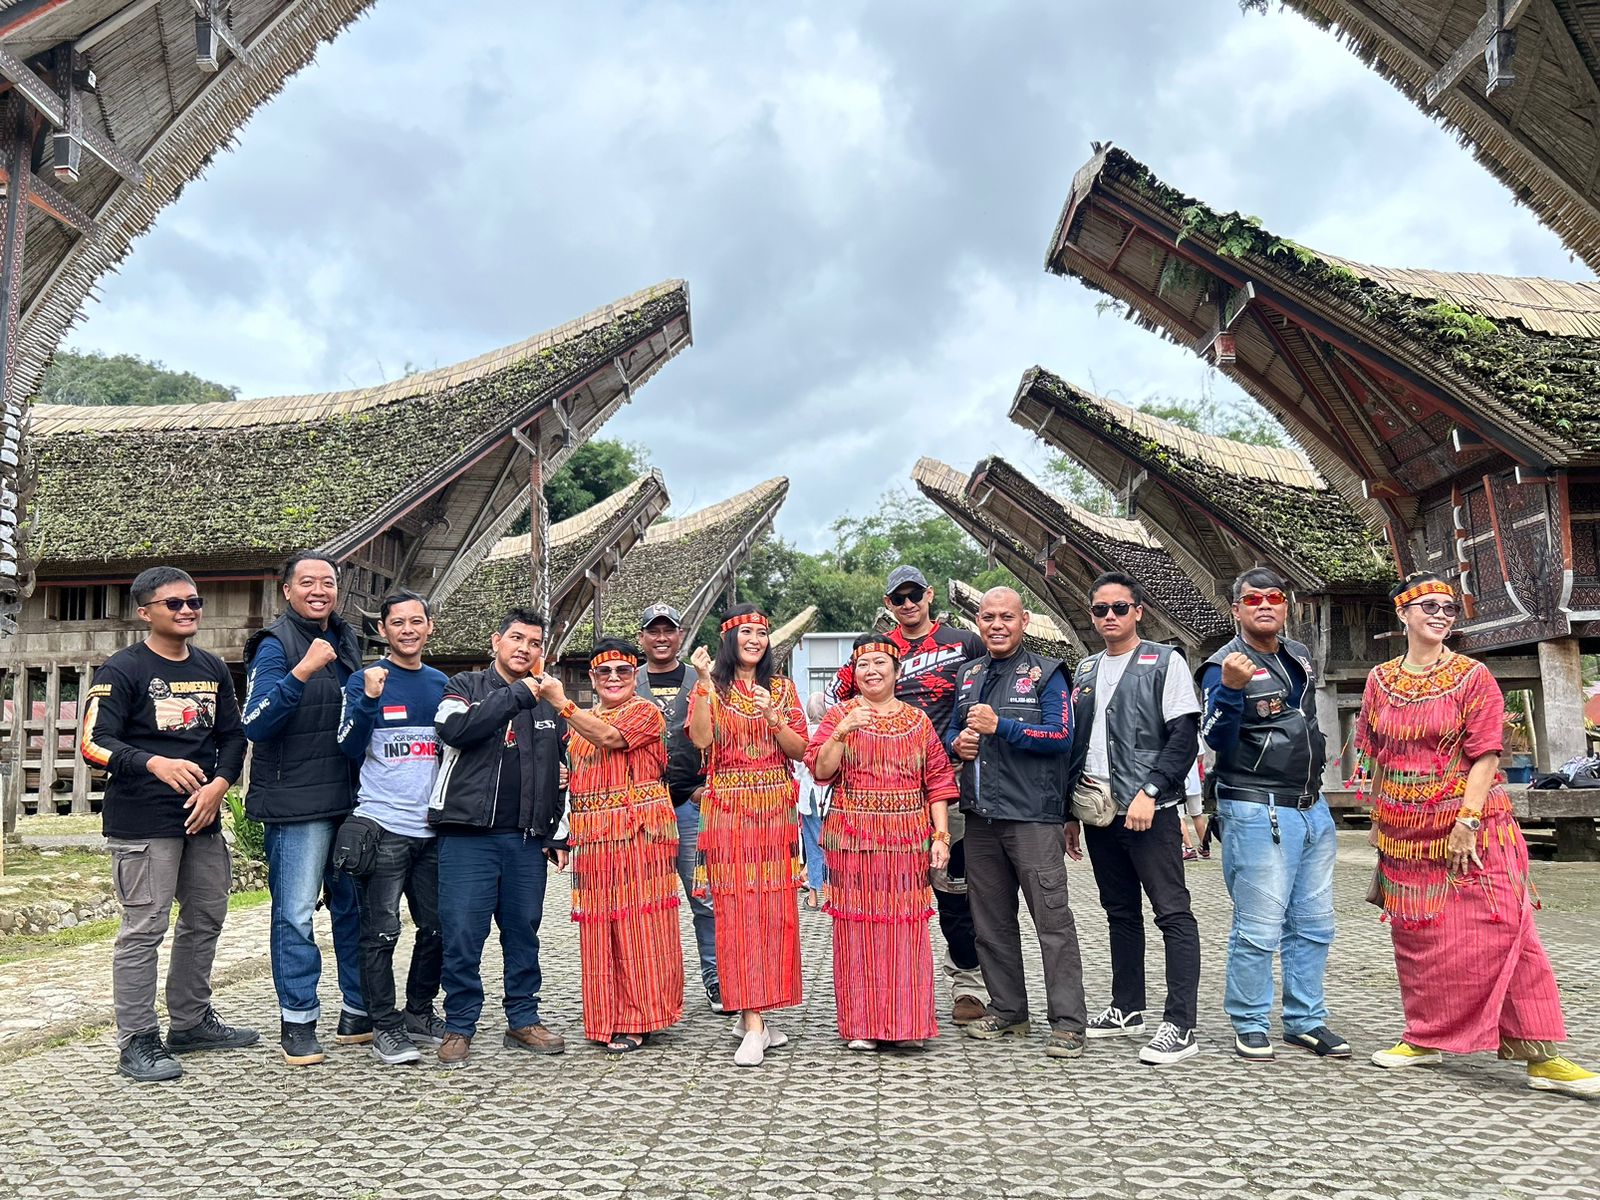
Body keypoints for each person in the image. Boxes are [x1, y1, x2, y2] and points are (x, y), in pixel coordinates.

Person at [1358, 573, 1598, 1096]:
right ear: (1403, 615)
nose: (1440, 615)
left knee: (1506, 928)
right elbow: (1378, 753)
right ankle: (1424, 1037)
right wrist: (1377, 819)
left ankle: (1542, 1053)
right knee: (1420, 936)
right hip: (1404, 831)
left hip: (1474, 824)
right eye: (1429, 606)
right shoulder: (1379, 680)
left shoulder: (1472, 676)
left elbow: (1486, 751)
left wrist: (1466, 821)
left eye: (1448, 607)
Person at [81, 566, 256, 1082]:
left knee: (205, 919)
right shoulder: (122, 670)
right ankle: (137, 1039)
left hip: (202, 817)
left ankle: (192, 1021)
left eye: (194, 603)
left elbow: (233, 736)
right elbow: (94, 743)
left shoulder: (212, 667)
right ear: (146, 612)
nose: (187, 611)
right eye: (174, 604)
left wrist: (219, 787)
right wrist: (153, 762)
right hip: (143, 821)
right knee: (144, 928)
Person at [828, 565, 989, 1024]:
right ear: (888, 605)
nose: (907, 604)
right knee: (883, 897)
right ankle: (881, 999)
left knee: (953, 892)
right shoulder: (878, 649)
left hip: (946, 783)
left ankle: (968, 987)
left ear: (929, 595)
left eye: (914, 594)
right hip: (877, 794)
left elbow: (988, 691)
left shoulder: (964, 641)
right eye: (897, 599)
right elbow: (837, 696)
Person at [1197, 569, 1346, 1063]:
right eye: (1252, 598)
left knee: (1314, 923)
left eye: (1275, 597)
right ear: (1235, 609)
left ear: (1286, 606)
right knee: (1259, 926)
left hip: (1312, 806)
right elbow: (1214, 738)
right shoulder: (1222, 664)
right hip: (1257, 808)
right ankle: (1249, 1020)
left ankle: (1306, 1020)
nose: (1265, 604)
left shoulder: (1298, 655)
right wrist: (1231, 691)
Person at [1065, 571, 1202, 1067]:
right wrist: (1069, 812)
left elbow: (1183, 737)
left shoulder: (1165, 662)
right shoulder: (1083, 670)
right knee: (1119, 910)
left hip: (1149, 808)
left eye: (1119, 608)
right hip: (1099, 809)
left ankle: (1181, 1023)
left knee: (1172, 911)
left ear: (1138, 611)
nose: (1109, 617)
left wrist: (1152, 791)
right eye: (1100, 609)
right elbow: (1075, 745)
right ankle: (1128, 1006)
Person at [945, 586, 1088, 1061]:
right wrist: (956, 747)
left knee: (1052, 921)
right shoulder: (969, 673)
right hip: (980, 817)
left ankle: (1068, 1023)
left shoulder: (1046, 673)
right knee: (989, 923)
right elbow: (950, 731)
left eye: (1007, 616)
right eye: (988, 617)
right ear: (978, 623)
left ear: (1024, 620)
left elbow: (1061, 736)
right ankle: (1009, 1010)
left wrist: (1000, 726)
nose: (997, 625)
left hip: (1032, 818)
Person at [430, 607, 569, 1068]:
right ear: (496, 641)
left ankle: (523, 1018)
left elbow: (563, 773)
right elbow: (456, 729)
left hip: (526, 840)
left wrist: (558, 833)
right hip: (467, 836)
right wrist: (517, 694)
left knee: (523, 931)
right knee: (463, 934)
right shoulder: (462, 687)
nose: (523, 648)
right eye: (516, 638)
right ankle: (459, 1025)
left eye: (533, 643)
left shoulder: (550, 703)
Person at [242, 551, 365, 1066]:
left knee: (354, 909)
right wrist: (303, 670)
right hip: (296, 804)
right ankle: (298, 1019)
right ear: (287, 591)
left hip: (350, 798)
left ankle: (360, 1010)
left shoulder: (348, 639)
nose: (320, 590)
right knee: (295, 915)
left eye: (329, 582)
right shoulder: (273, 645)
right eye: (308, 582)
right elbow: (256, 722)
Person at [808, 636, 955, 1051]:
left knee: (906, 927)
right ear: (853, 674)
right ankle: (861, 1024)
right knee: (857, 927)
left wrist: (940, 836)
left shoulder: (917, 720)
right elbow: (820, 770)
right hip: (853, 837)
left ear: (896, 670)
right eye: (862, 665)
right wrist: (840, 732)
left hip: (907, 839)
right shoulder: (842, 714)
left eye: (879, 663)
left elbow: (938, 781)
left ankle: (907, 1024)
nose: (871, 671)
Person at [541, 638, 683, 1053]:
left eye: (623, 671)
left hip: (641, 834)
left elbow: (610, 738)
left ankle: (643, 1015)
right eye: (605, 672)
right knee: (601, 927)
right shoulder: (580, 724)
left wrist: (562, 703)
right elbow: (576, 779)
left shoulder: (646, 712)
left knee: (640, 925)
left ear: (635, 676)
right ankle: (608, 1017)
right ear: (593, 677)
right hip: (596, 837)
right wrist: (562, 834)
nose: (615, 678)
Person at [687, 603, 809, 1067]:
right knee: (737, 909)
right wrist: (700, 685)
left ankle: (756, 1013)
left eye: (762, 632)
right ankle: (753, 1021)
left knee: (774, 908)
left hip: (775, 808)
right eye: (746, 632)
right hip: (729, 809)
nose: (755, 639)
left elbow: (801, 751)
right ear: (728, 639)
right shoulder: (711, 687)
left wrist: (774, 717)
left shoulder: (781, 688)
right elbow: (700, 740)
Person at [334, 591, 448, 1065]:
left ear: (428, 627)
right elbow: (347, 745)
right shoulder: (365, 679)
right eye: (397, 622)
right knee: (380, 932)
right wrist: (369, 700)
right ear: (382, 630)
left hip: (433, 830)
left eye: (415, 621)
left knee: (439, 927)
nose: (407, 629)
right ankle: (384, 1025)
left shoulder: (441, 683)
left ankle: (419, 1010)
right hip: (383, 827)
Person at [634, 602, 724, 1013]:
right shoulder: (626, 681)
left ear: (680, 634)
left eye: (668, 630)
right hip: (641, 807)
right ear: (642, 639)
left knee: (703, 896)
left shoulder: (700, 680)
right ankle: (651, 982)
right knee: (645, 898)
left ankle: (715, 977)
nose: (661, 637)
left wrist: (709, 784)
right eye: (653, 631)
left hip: (692, 802)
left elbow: (723, 736)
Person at [797, 693, 828, 911]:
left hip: (809, 796)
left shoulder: (803, 733)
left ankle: (815, 896)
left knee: (813, 844)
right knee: (832, 845)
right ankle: (835, 894)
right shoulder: (834, 732)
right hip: (831, 797)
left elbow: (798, 770)